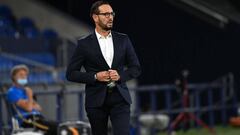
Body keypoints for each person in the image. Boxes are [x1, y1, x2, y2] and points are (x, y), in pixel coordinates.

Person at [66, 1, 141, 135]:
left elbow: (135, 68)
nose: (110, 17)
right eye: (106, 14)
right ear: (95, 17)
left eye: (112, 14)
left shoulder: (123, 39)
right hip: (96, 101)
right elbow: (71, 73)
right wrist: (95, 76)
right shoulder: (84, 44)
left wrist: (120, 76)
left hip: (120, 98)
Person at [6, 64, 58, 135]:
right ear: (14, 77)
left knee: (58, 125)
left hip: (37, 118)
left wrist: (29, 102)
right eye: (21, 75)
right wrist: (30, 96)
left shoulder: (24, 90)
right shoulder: (12, 92)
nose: (24, 77)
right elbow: (29, 108)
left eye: (25, 75)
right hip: (26, 120)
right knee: (55, 128)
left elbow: (39, 108)